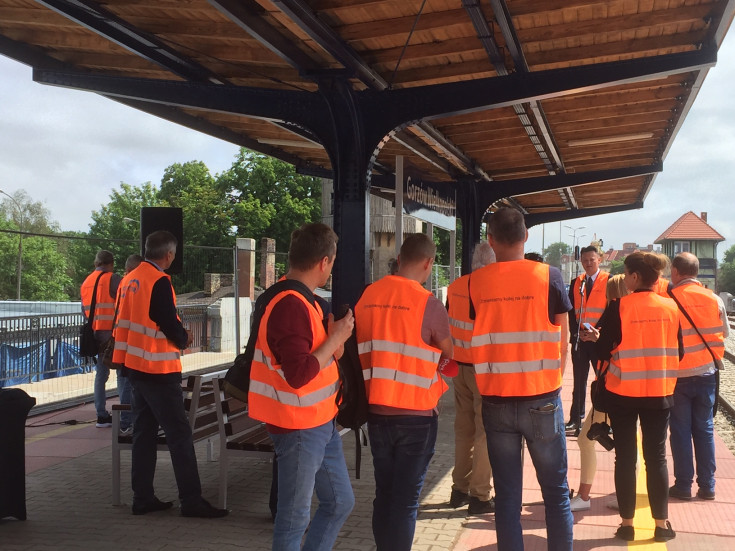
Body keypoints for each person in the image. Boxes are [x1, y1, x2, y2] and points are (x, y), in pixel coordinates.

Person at [469, 207, 573, 551]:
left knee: (508, 497)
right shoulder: (550, 277)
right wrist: (552, 384)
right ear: (526, 236)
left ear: (491, 240)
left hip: (496, 401)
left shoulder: (476, 283)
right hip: (541, 397)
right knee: (556, 493)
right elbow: (563, 343)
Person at [248, 222, 355, 551]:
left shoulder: (304, 301)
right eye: (332, 264)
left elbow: (315, 359)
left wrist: (333, 344)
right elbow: (298, 373)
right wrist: (336, 338)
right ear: (325, 262)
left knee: (339, 502)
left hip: (318, 421)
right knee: (294, 518)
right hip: (297, 426)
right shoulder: (290, 305)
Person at [112, 231, 227, 518]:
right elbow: (166, 320)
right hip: (158, 368)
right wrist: (184, 338)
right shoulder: (159, 281)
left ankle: (143, 497)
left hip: (134, 368)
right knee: (179, 434)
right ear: (169, 255)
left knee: (143, 433)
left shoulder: (129, 280)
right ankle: (191, 500)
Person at [355, 233, 455, 551]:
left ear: (399, 259)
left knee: (384, 492)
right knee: (406, 502)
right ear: (428, 263)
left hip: (376, 412)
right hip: (416, 416)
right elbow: (449, 355)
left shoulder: (368, 295)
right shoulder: (429, 303)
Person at [592, 251, 681, 542]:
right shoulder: (671, 308)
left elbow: (602, 351)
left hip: (623, 393)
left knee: (626, 457)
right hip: (659, 393)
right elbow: (678, 351)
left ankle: (628, 524)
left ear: (634, 277)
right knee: (657, 458)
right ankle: (662, 525)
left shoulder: (619, 307)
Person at [667, 252, 727, 501]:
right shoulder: (714, 299)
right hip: (706, 373)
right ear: (696, 271)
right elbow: (724, 331)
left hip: (679, 376)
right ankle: (708, 486)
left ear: (675, 272)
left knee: (680, 430)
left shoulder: (669, 299)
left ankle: (683, 486)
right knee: (704, 429)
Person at [569, 274, 628, 512]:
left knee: (586, 440)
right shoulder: (635, 313)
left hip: (612, 388)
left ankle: (584, 497)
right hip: (635, 389)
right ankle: (626, 496)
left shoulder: (616, 312)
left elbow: (606, 350)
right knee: (629, 445)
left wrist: (597, 338)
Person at [446, 242, 496, 515]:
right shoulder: (490, 289)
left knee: (463, 430)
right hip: (483, 370)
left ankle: (458, 490)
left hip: (459, 368)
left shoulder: (455, 286)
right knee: (484, 432)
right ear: (490, 263)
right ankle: (480, 495)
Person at [566, 246, 609, 435]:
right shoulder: (577, 282)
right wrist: (576, 333)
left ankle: (604, 419)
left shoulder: (610, 281)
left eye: (592, 259)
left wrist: (597, 332)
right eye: (585, 260)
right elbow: (571, 311)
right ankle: (576, 419)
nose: (588, 263)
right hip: (580, 341)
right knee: (579, 380)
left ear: (599, 259)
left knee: (604, 381)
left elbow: (611, 311)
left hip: (599, 339)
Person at [80, 249, 122, 428]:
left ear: (96, 263)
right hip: (113, 334)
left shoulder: (86, 282)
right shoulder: (113, 279)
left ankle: (101, 415)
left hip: (94, 334)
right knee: (122, 373)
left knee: (101, 374)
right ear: (111, 264)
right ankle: (126, 415)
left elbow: (84, 309)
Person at [116, 253, 144, 436]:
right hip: (132, 343)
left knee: (123, 381)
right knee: (127, 384)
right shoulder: (136, 283)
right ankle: (126, 421)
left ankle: (125, 421)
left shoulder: (123, 284)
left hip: (120, 340)